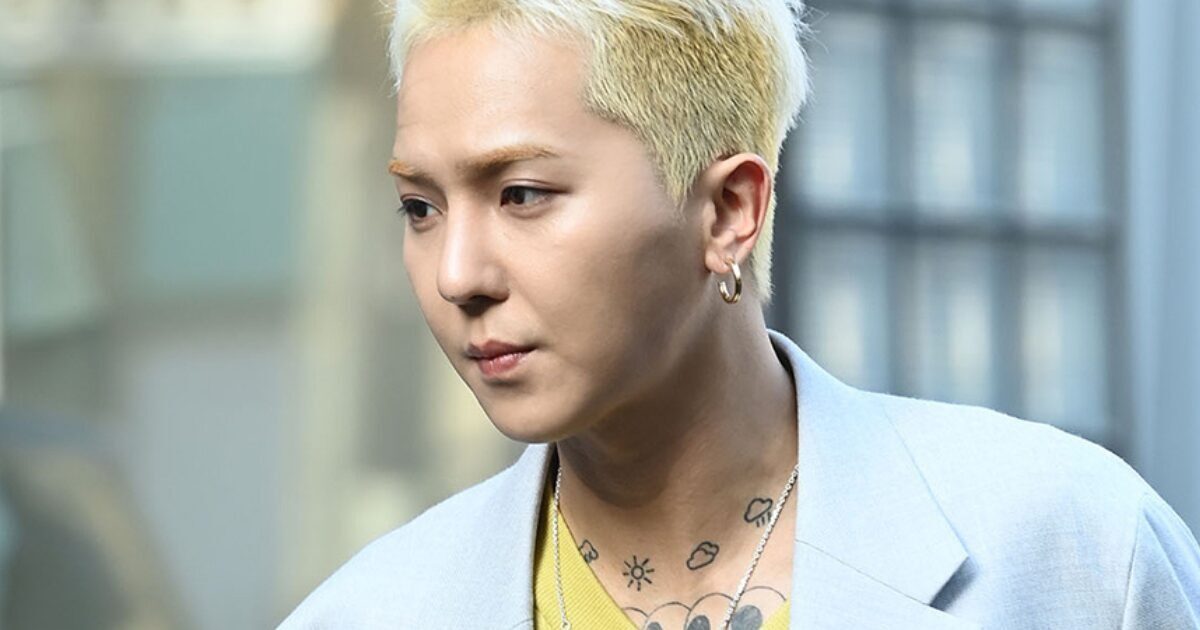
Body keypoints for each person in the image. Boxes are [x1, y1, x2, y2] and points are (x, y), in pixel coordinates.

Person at [280, 1, 1200, 628]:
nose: (456, 275)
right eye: (420, 208)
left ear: (728, 211)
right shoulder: (364, 614)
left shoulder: (1074, 548)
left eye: (521, 194)